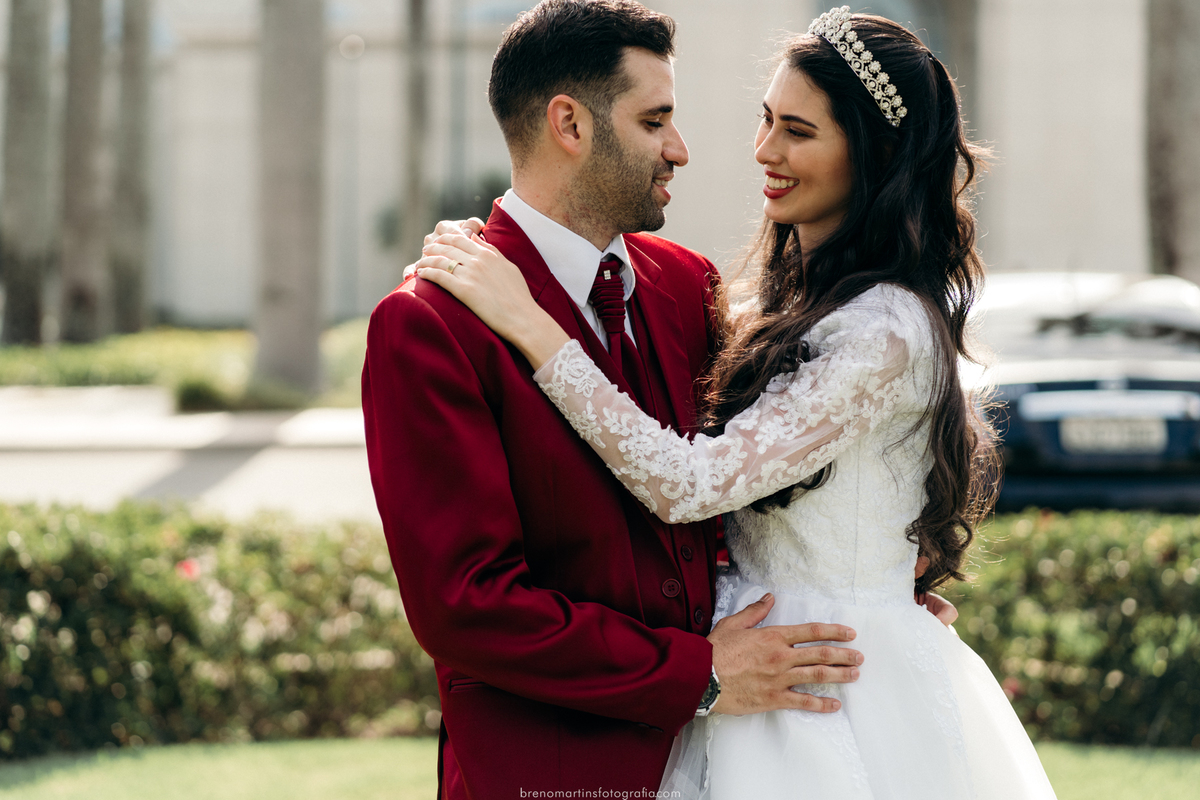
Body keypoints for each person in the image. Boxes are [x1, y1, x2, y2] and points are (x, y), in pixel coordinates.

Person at [415, 6, 1058, 799]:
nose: (761, 151)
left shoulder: (874, 327)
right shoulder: (759, 303)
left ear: (874, 154)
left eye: (798, 130)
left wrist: (532, 325)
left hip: (828, 690)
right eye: (767, 121)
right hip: (688, 706)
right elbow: (466, 604)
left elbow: (693, 484)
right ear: (568, 124)